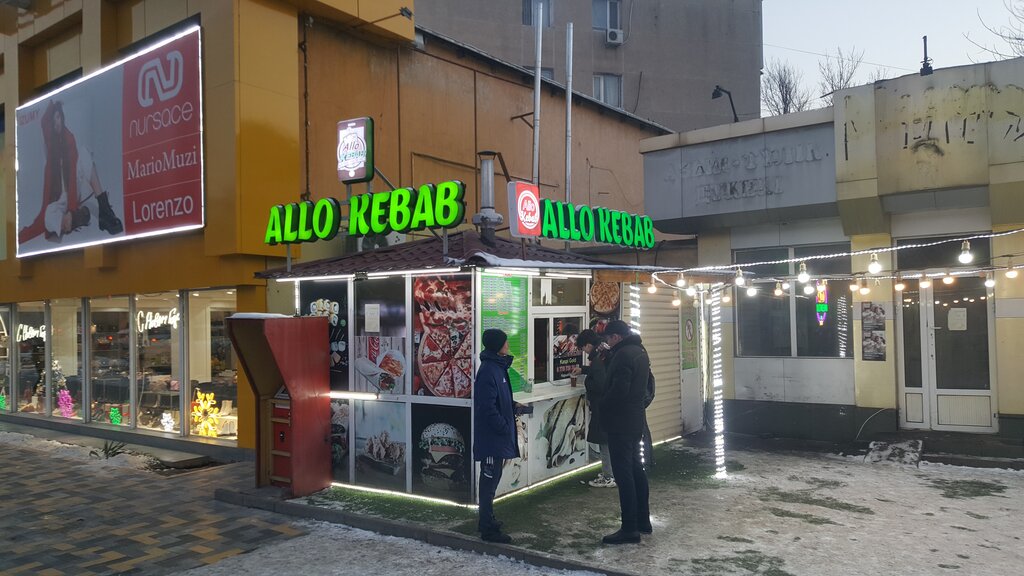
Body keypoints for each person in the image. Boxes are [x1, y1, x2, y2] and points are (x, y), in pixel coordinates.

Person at [19, 100, 122, 245]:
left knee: (83, 153)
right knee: (47, 216)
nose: (57, 123)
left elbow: (73, 176)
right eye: (53, 120)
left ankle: (103, 209)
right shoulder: (50, 146)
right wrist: (51, 104)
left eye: (58, 117)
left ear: (62, 117)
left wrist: (72, 209)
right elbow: (44, 122)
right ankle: (73, 220)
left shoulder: (70, 139)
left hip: (74, 190)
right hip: (59, 199)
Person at [598, 319, 652, 544]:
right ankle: (643, 520)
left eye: (608, 338)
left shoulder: (623, 355)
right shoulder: (640, 351)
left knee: (624, 474)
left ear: (616, 337)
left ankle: (629, 528)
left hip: (620, 422)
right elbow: (646, 386)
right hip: (635, 420)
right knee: (636, 469)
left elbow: (619, 389)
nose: (607, 342)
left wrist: (602, 405)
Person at [473, 328, 519, 544]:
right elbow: (487, 407)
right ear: (497, 345)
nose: (508, 345)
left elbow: (498, 400)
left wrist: (513, 407)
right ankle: (487, 528)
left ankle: (488, 519)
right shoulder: (488, 370)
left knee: (493, 479)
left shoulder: (498, 367)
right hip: (491, 438)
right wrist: (503, 426)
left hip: (497, 436)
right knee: (489, 482)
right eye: (505, 342)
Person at [574, 329, 615, 488]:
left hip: (602, 406)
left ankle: (608, 476)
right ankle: (612, 473)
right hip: (611, 405)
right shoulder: (605, 352)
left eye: (583, 348)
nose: (584, 352)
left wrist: (587, 382)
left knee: (604, 442)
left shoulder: (598, 359)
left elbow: (600, 384)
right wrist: (584, 369)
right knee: (610, 440)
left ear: (588, 345)